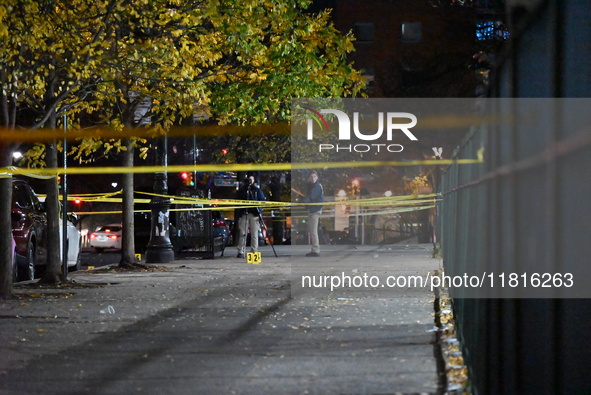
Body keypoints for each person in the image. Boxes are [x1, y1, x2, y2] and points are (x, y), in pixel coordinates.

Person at [236, 175, 266, 258]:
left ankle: (254, 251)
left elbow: (262, 201)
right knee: (243, 233)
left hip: (254, 214)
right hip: (244, 214)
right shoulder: (242, 190)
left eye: (251, 179)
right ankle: (241, 251)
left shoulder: (257, 190)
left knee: (254, 234)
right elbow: (237, 200)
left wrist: (258, 209)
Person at [302, 170, 324, 257]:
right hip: (312, 210)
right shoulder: (311, 186)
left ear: (317, 177)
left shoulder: (317, 186)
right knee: (312, 230)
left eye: (314, 176)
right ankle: (314, 249)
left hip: (315, 210)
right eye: (311, 177)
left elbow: (311, 196)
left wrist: (303, 201)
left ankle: (316, 250)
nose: (313, 178)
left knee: (313, 231)